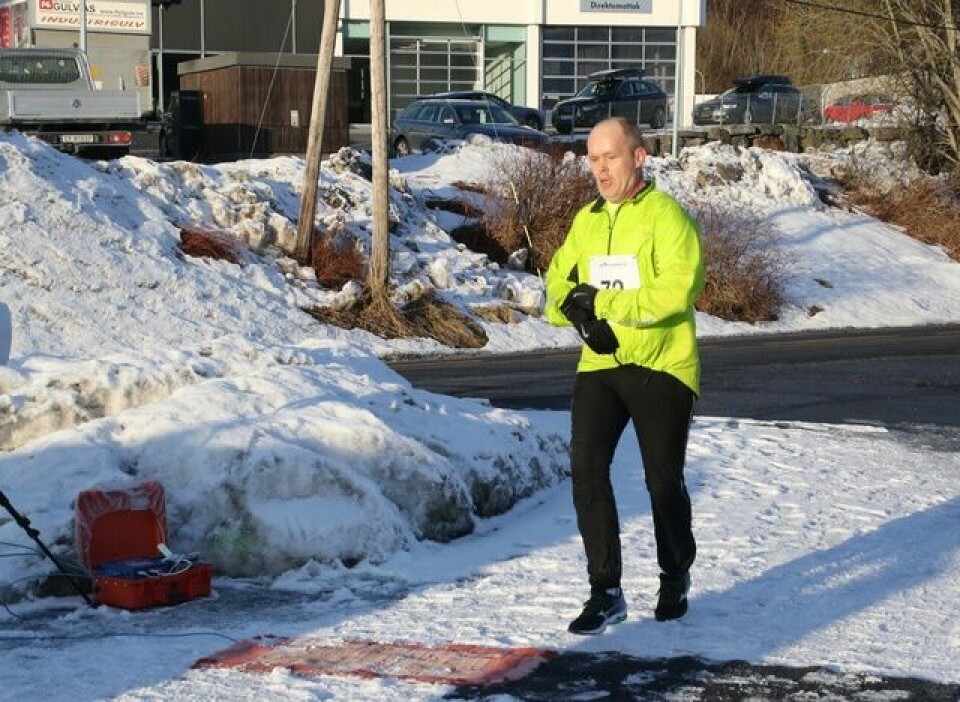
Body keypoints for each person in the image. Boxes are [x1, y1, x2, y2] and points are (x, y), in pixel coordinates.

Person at [544, 117, 704, 635]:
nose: (600, 169)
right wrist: (580, 316)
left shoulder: (667, 217)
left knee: (663, 481)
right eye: (592, 159)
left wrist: (604, 302)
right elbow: (557, 283)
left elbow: (674, 292)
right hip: (601, 364)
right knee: (586, 469)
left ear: (638, 157)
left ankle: (675, 571)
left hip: (662, 362)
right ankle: (605, 590)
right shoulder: (586, 221)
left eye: (610, 157)